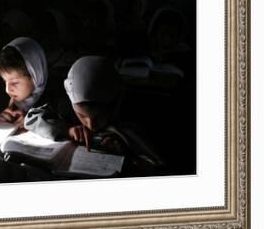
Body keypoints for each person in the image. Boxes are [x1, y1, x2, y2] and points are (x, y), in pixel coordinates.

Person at [25, 56, 164, 174]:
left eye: (99, 116)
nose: (90, 124)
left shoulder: (131, 115)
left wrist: (125, 151)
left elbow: (156, 164)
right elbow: (32, 117)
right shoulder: (65, 107)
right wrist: (66, 130)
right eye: (81, 115)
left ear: (114, 105)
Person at [0, 37, 48, 126]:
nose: (7, 90)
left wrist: (32, 123)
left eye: (15, 83)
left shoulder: (57, 104)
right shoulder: (4, 100)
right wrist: (1, 121)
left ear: (35, 75)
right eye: (5, 81)